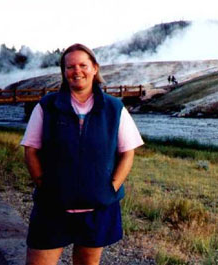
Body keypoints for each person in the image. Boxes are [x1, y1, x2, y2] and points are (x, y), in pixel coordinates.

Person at [20, 43, 144, 265]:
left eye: (83, 65)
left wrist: (112, 187)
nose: (77, 71)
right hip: (52, 209)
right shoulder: (47, 106)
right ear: (64, 72)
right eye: (70, 67)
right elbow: (31, 150)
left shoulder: (114, 108)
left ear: (95, 68)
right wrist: (43, 185)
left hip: (96, 211)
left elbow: (128, 152)